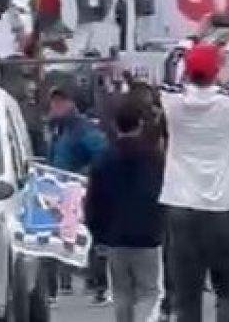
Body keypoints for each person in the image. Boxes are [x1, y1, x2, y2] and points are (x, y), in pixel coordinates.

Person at [159, 43, 229, 322]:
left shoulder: (173, 103)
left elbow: (169, 65)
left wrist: (193, 37)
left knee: (187, 292)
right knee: (228, 288)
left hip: (182, 204)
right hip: (227, 205)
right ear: (216, 71)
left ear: (187, 71)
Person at [85, 102, 164, 322]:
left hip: (114, 237)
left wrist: (98, 235)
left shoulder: (103, 159)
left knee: (121, 292)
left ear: (115, 126)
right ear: (140, 124)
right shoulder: (154, 157)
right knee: (149, 291)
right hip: (148, 235)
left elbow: (93, 201)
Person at [45, 87, 110, 301]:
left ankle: (97, 284)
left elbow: (102, 153)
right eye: (53, 102)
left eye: (59, 102)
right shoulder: (59, 129)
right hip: (61, 189)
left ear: (70, 103)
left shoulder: (82, 129)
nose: (54, 107)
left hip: (80, 190)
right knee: (62, 234)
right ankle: (61, 284)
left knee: (88, 236)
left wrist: (83, 175)